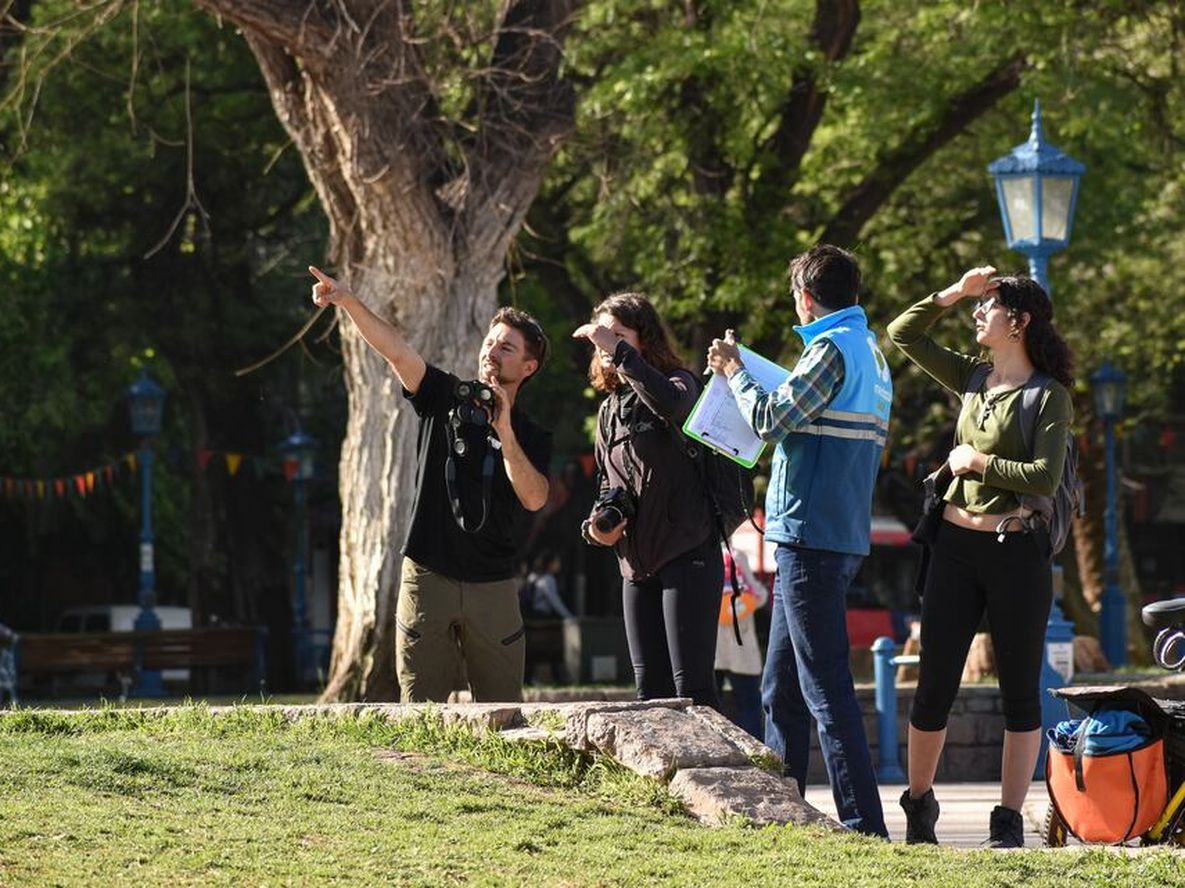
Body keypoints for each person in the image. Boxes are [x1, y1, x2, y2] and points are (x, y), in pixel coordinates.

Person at [707, 244, 892, 838]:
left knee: (823, 686)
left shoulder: (829, 349)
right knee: (779, 686)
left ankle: (865, 827)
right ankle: (781, 817)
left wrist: (735, 370)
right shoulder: (870, 352)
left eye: (795, 297)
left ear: (807, 298)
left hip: (810, 535)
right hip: (827, 534)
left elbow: (769, 419)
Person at [887, 267, 1073, 848]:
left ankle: (1008, 821)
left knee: (1018, 691)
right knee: (933, 686)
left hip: (1016, 550)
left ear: (1017, 322)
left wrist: (978, 464)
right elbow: (903, 334)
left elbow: (1045, 477)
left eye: (988, 307)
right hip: (953, 549)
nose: (977, 315)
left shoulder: (1049, 396)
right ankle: (919, 807)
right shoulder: (972, 377)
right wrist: (955, 292)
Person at [309, 266, 552, 703]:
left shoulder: (533, 434)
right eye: (490, 342)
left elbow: (534, 497)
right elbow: (398, 353)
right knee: (421, 709)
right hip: (428, 574)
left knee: (503, 709)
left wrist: (506, 432)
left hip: (493, 583)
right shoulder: (445, 396)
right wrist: (348, 303)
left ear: (528, 366)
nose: (492, 352)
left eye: (507, 348)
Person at [575, 293, 724, 708]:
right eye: (600, 338)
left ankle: (714, 773)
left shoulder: (681, 382)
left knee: (692, 689)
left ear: (644, 341)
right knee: (649, 694)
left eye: (617, 335)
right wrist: (597, 525)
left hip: (688, 552)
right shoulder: (608, 410)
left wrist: (619, 352)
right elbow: (608, 483)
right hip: (635, 566)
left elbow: (671, 405)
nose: (603, 345)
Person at [714, 548, 768, 739]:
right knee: (749, 705)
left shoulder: (700, 555)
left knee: (710, 707)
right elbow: (758, 595)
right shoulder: (736, 556)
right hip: (741, 646)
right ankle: (754, 756)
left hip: (712, 648)